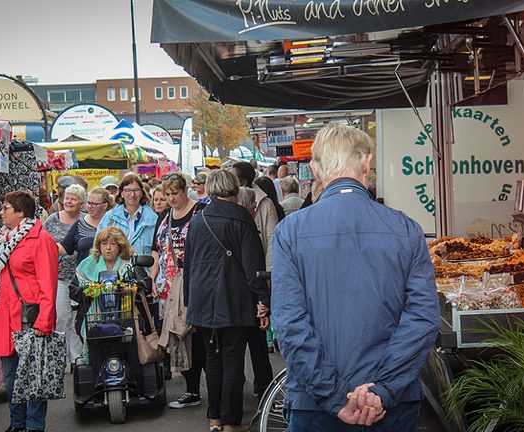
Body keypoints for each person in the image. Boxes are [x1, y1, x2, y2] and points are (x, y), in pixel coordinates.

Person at [271, 124, 439, 432]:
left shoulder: (290, 232)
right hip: (392, 403)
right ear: (366, 163)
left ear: (315, 169)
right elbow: (422, 318)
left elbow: (290, 323)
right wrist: (382, 390)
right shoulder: (406, 229)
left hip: (315, 405)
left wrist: (335, 396)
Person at [184, 169, 270, 432]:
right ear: (234, 188)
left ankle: (214, 419)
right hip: (234, 299)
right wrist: (263, 300)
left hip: (202, 299)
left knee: (213, 360)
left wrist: (189, 300)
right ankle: (231, 422)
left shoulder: (197, 219)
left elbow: (189, 264)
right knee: (232, 360)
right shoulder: (242, 217)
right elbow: (253, 266)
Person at [0, 190, 58, 432]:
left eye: (6, 208)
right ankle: (17, 424)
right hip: (5, 317)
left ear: (21, 212)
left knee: (33, 376)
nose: (0, 212)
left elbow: (48, 284)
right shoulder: (4, 239)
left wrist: (44, 321)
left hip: (29, 317)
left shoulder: (40, 239)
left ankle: (34, 426)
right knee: (11, 377)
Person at [150, 172, 207, 409]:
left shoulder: (200, 211)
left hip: (196, 284)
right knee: (179, 337)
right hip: (170, 288)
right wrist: (152, 277)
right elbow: (156, 250)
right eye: (168, 194)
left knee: (200, 337)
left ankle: (216, 388)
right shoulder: (164, 216)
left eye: (175, 193)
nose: (171, 199)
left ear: (185, 191)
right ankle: (191, 389)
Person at [229, 162, 275, 399]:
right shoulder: (236, 215)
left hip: (255, 281)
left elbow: (271, 241)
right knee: (250, 342)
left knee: (255, 342)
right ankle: (253, 387)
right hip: (247, 285)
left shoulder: (263, 204)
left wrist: (267, 277)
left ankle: (262, 388)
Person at [43, 184, 87, 364]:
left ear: (81, 203)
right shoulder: (52, 220)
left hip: (81, 277)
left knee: (78, 318)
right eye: (67, 198)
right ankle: (60, 356)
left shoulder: (85, 220)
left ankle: (77, 357)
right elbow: (43, 244)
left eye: (73, 199)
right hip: (59, 277)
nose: (69, 201)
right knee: (62, 317)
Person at [98, 173, 158, 256]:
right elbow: (98, 246)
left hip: (143, 264)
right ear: (121, 193)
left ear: (142, 192)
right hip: (114, 264)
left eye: (136, 190)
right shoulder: (110, 217)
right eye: (127, 190)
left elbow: (158, 251)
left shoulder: (153, 220)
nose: (132, 194)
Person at [59, 188, 113, 266]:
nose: (90, 206)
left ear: (105, 205)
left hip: (110, 271)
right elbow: (65, 247)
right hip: (84, 271)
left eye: (94, 204)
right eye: (88, 203)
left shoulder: (115, 224)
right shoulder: (80, 224)